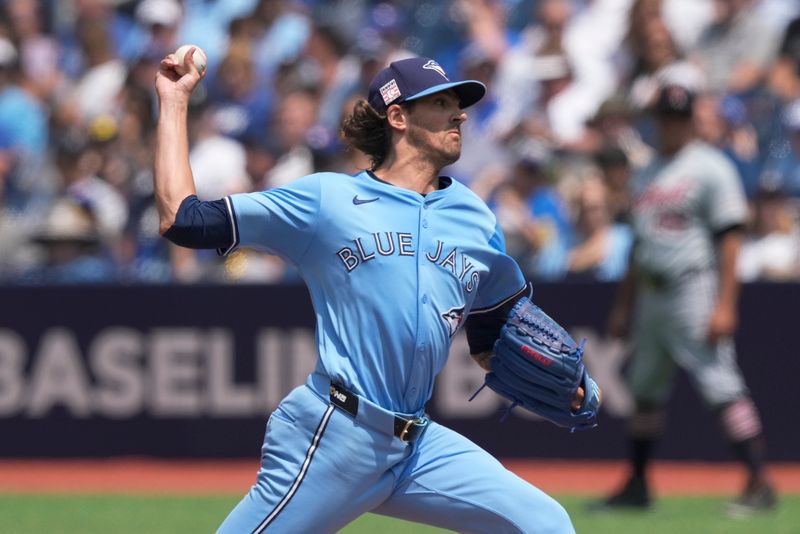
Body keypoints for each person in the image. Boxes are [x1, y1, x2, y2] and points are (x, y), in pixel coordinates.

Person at [154, 51, 578, 533]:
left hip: (416, 446)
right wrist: (174, 100)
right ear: (398, 117)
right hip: (337, 435)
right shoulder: (327, 201)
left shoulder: (475, 216)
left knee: (545, 523)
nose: (459, 113)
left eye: (458, 103)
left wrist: (551, 372)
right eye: (441, 103)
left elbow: (491, 328)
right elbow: (183, 220)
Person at [595, 84, 777, 516]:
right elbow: (638, 247)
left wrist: (726, 303)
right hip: (651, 294)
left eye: (678, 116)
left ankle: (759, 482)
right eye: (664, 116)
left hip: (692, 287)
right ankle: (638, 484)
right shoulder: (647, 171)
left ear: (691, 119)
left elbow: (731, 238)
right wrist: (623, 306)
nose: (670, 124)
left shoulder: (711, 167)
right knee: (644, 390)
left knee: (721, 384)